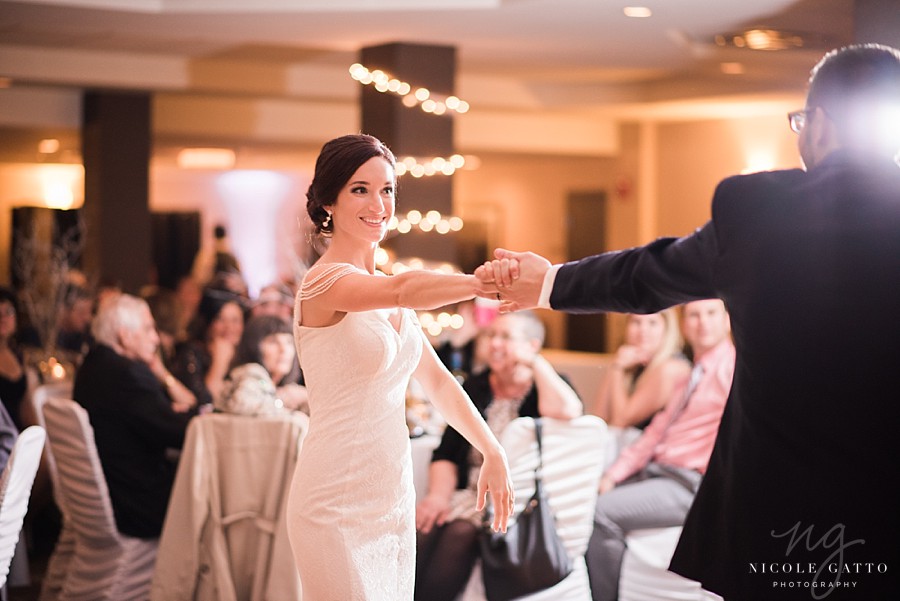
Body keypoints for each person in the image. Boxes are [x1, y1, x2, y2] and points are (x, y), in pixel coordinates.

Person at [476, 44, 900, 600]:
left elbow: (648, 275)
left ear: (818, 122)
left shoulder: (759, 208)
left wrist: (552, 282)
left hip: (777, 514)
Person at [288, 133, 514, 601]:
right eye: (360, 189)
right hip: (334, 502)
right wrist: (478, 283)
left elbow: (439, 382)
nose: (379, 203)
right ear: (329, 200)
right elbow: (404, 290)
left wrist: (492, 449)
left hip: (391, 496)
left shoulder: (386, 290)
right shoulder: (323, 282)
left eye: (387, 189)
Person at [414, 310, 582, 601]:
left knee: (459, 533)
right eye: (492, 335)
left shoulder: (546, 387)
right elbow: (447, 452)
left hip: (517, 500)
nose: (494, 343)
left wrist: (535, 362)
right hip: (471, 493)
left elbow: (569, 410)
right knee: (425, 523)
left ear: (532, 345)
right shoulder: (477, 386)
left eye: (506, 337)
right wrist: (439, 496)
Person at [587, 299, 734, 601]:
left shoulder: (732, 371)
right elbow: (653, 435)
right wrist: (612, 476)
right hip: (656, 471)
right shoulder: (690, 376)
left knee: (599, 513)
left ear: (727, 321)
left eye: (711, 314)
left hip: (687, 483)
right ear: (683, 325)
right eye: (694, 315)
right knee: (585, 495)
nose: (702, 322)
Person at [72, 294, 193, 538]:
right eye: (148, 329)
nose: (156, 338)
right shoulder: (129, 374)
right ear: (124, 335)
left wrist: (165, 412)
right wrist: (194, 417)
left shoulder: (92, 364)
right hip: (139, 505)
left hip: (106, 496)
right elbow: (179, 434)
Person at [589, 309, 689, 430]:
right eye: (636, 322)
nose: (643, 330)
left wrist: (617, 368)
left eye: (652, 323)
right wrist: (615, 365)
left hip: (658, 448)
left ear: (667, 329)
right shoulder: (635, 366)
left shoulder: (670, 368)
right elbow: (598, 419)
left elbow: (620, 421)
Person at [171, 286, 246, 410]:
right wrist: (219, 362)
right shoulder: (191, 353)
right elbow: (205, 403)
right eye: (220, 319)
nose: (229, 328)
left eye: (235, 320)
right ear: (209, 322)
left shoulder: (245, 356)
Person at [218, 314, 308, 415]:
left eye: (288, 342)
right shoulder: (251, 373)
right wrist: (281, 400)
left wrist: (306, 398)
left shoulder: (280, 385)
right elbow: (241, 404)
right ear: (254, 347)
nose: (283, 349)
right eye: (273, 341)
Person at [0, 286, 29, 431]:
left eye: (9, 312)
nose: (3, 318)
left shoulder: (18, 354)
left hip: (18, 437)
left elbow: (25, 409)